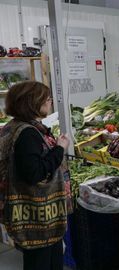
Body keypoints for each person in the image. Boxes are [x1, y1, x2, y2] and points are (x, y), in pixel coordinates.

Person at [0, 81, 70, 270]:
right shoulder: (27, 134)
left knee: (48, 258)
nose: (50, 103)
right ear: (33, 103)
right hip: (37, 214)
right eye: (47, 99)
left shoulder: (16, 125)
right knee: (42, 262)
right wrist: (59, 149)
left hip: (31, 213)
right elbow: (36, 173)